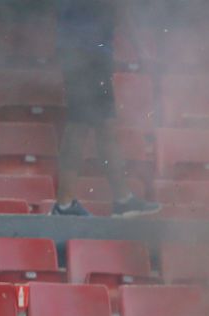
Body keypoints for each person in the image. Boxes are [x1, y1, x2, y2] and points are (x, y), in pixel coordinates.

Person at [51, 0, 160, 217]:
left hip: (83, 49)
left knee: (103, 126)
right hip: (87, 51)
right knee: (81, 125)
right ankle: (65, 204)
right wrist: (140, 49)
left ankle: (120, 200)